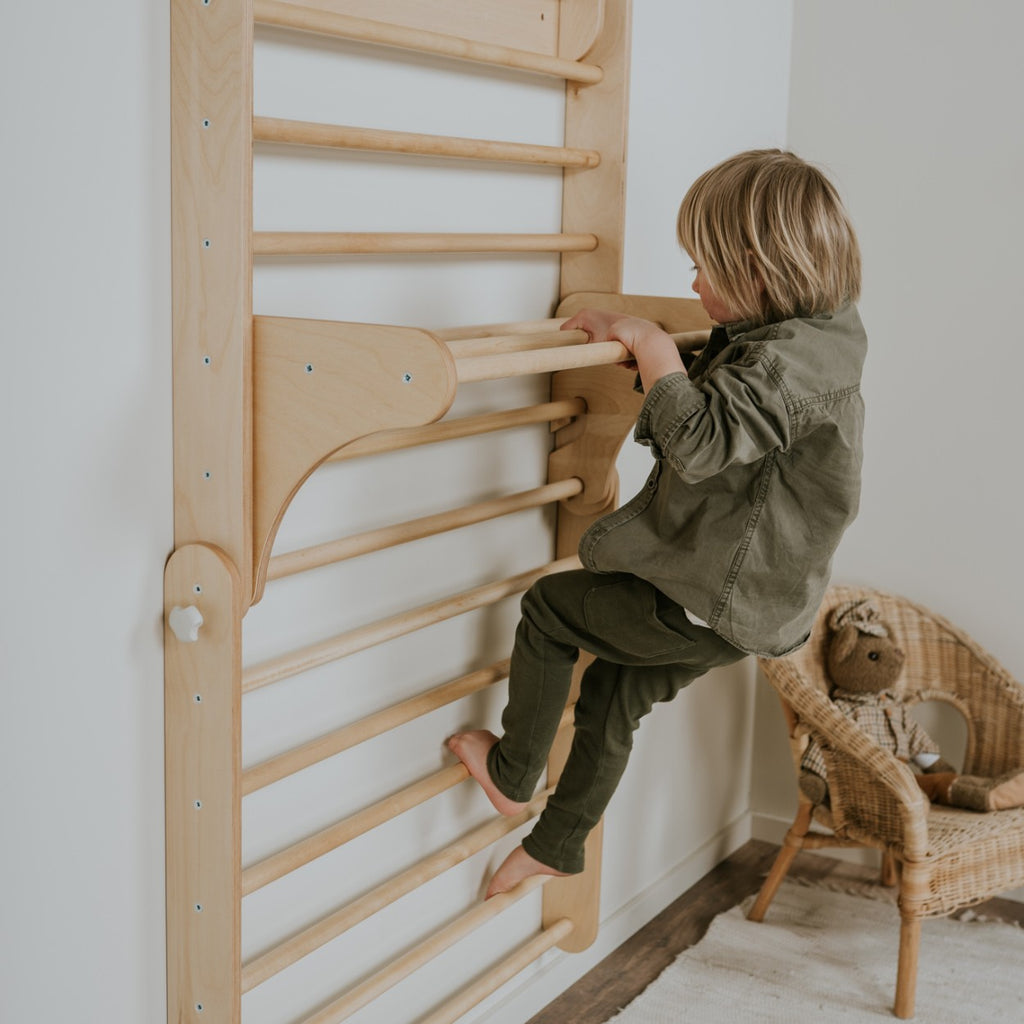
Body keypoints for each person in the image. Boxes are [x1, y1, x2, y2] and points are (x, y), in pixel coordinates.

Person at [448, 148, 866, 898]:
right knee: (612, 695)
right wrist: (664, 356)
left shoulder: (782, 368)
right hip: (748, 613)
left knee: (549, 609)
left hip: (710, 600)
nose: (693, 283)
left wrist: (647, 341)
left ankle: (513, 773)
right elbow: (734, 398)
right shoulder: (821, 337)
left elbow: (705, 441)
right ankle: (556, 844)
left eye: (703, 267)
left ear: (756, 268)